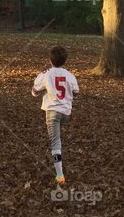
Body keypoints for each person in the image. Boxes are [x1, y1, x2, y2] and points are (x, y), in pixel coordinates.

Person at [32, 46, 79, 186]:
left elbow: (35, 91)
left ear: (50, 59)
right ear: (65, 60)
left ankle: (60, 175)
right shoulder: (70, 75)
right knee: (57, 138)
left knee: (55, 142)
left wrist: (38, 92)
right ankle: (59, 163)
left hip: (52, 111)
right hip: (65, 112)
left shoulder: (46, 74)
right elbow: (76, 92)